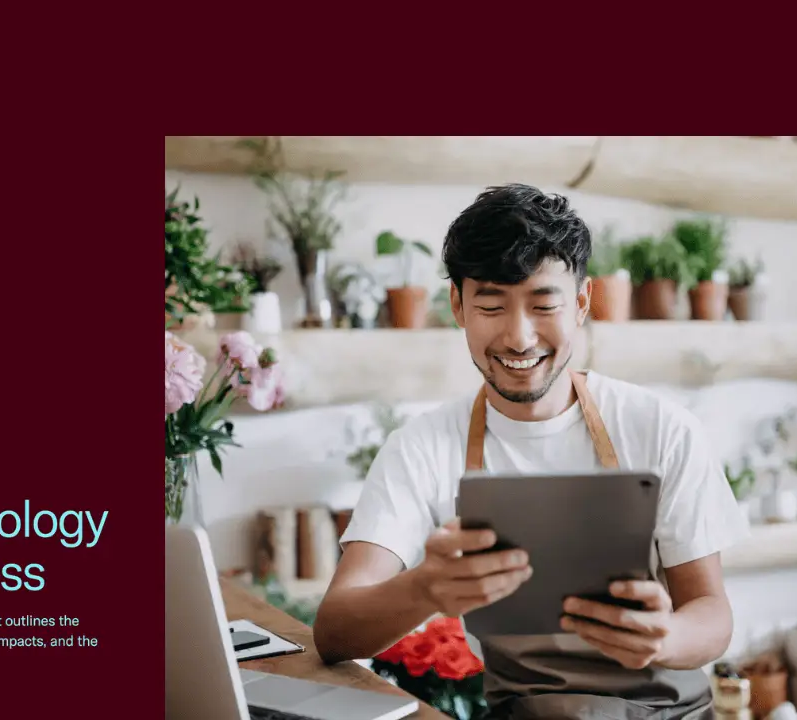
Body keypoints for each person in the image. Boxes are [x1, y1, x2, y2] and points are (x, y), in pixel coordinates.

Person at [312, 184, 751, 719]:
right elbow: (334, 631)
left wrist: (664, 636)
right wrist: (424, 587)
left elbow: (712, 614)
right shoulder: (421, 448)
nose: (519, 338)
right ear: (457, 305)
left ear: (583, 302)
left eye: (544, 305)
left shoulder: (661, 428)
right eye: (491, 306)